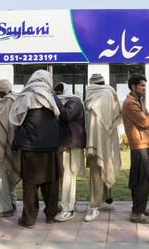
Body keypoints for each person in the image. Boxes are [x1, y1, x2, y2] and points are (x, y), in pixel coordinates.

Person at [10, 70, 63, 228]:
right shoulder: (52, 97)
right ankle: (51, 215)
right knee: (51, 182)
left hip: (30, 147)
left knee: (30, 184)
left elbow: (16, 119)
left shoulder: (25, 96)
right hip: (50, 146)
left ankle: (29, 219)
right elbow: (61, 115)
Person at [84, 73, 121, 222]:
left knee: (95, 172)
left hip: (96, 139)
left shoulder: (93, 94)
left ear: (92, 84)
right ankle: (106, 200)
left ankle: (95, 206)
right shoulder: (111, 93)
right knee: (107, 165)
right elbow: (118, 113)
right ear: (103, 82)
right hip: (109, 137)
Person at [121, 73, 149, 224]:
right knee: (142, 180)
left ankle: (139, 208)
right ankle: (137, 213)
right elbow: (145, 121)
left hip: (143, 144)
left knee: (140, 179)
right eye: (141, 85)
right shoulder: (130, 103)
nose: (143, 88)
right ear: (133, 86)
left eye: (144, 86)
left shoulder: (137, 100)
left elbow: (148, 117)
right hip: (139, 145)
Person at [53, 82, 86, 222]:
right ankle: (67, 203)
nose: (57, 96)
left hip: (71, 144)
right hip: (64, 144)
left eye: (57, 93)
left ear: (62, 91)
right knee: (64, 177)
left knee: (68, 176)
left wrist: (55, 100)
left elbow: (66, 115)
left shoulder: (74, 101)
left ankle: (68, 208)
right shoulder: (67, 101)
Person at [0, 79, 20, 218]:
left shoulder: (8, 102)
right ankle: (11, 203)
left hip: (6, 143)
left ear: (2, 90)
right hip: (13, 144)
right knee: (9, 172)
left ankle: (4, 207)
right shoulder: (16, 99)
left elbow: (2, 123)